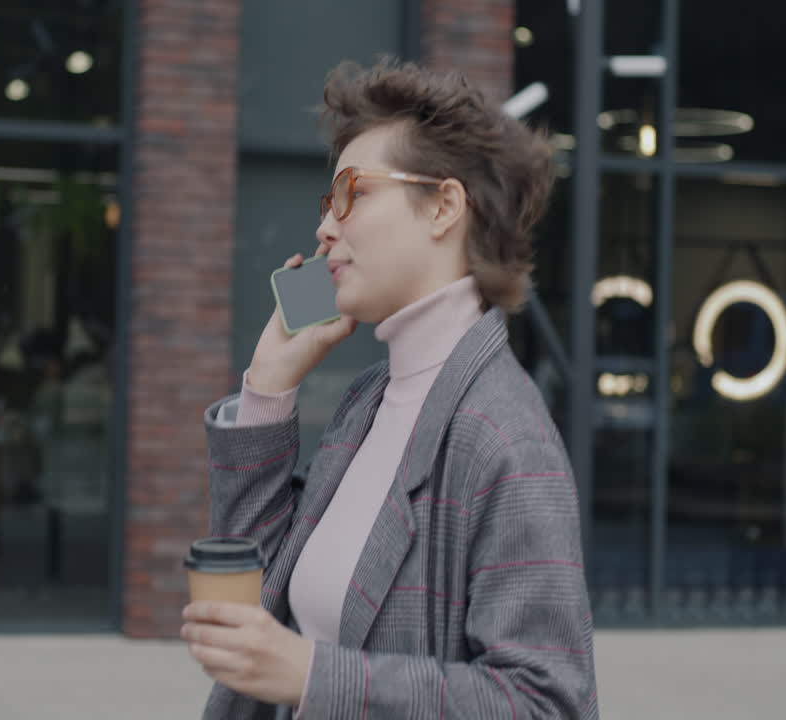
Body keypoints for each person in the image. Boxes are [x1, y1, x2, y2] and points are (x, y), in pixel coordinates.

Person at [182, 57, 599, 719]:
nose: (325, 227)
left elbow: (545, 703)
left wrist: (313, 676)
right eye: (328, 203)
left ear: (443, 207)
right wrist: (267, 388)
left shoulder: (504, 437)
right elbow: (262, 598)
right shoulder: (371, 400)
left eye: (353, 194)